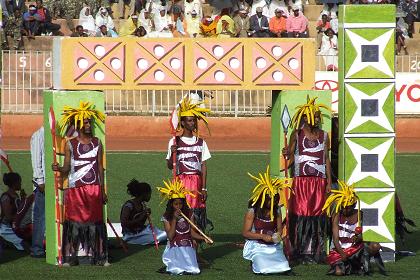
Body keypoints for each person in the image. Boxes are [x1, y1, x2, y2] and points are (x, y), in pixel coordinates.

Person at [51, 101, 109, 266]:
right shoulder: (70, 143)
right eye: (84, 122)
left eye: (89, 122)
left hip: (94, 188)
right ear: (78, 124)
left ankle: (99, 257)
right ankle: (70, 257)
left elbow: (100, 167)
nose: (88, 125)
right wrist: (59, 168)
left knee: (96, 222)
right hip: (75, 189)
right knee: (73, 223)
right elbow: (67, 168)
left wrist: (102, 190)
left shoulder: (98, 143)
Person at [282, 95, 332, 264]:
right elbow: (289, 160)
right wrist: (286, 153)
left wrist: (329, 182)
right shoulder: (297, 134)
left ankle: (315, 252)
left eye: (318, 116)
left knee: (317, 217)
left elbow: (326, 160)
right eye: (313, 116)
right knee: (300, 216)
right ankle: (298, 251)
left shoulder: (325, 136)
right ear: (305, 117)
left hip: (319, 182)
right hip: (301, 182)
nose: (316, 119)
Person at [166, 96, 213, 234]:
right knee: (181, 213)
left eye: (194, 120)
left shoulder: (201, 142)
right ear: (182, 122)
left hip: (196, 183)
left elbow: (203, 166)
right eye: (190, 120)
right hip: (181, 182)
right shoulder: (174, 142)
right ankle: (180, 243)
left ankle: (195, 249)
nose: (193, 123)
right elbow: (170, 166)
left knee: (197, 214)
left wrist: (204, 187)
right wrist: (172, 152)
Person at [323, 180, 385, 276]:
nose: (345, 210)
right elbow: (335, 240)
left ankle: (356, 264)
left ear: (354, 205)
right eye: (343, 207)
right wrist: (342, 254)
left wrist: (359, 238)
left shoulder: (360, 214)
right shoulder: (336, 216)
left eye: (348, 207)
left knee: (375, 246)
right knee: (339, 273)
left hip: (356, 248)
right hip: (339, 249)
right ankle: (352, 267)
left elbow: (364, 235)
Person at [242, 166, 292, 275]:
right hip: (257, 246)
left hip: (273, 246)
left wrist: (276, 236)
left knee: (284, 267)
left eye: (276, 200)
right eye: (272, 201)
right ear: (264, 199)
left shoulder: (276, 211)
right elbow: (245, 233)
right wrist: (262, 236)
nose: (274, 203)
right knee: (264, 269)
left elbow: (279, 229)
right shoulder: (252, 211)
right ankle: (255, 261)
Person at [158, 178, 211, 275]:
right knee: (177, 268)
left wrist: (204, 238)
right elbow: (170, 236)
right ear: (171, 204)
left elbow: (192, 233)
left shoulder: (189, 214)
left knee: (193, 269)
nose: (178, 206)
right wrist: (174, 219)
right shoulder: (166, 217)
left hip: (188, 245)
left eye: (180, 204)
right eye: (176, 204)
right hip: (174, 246)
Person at [120, 179, 167, 245]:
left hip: (141, 231)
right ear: (143, 194)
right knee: (161, 236)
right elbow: (124, 223)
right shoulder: (129, 206)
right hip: (131, 235)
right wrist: (141, 217)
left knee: (164, 233)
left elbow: (140, 224)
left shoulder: (142, 205)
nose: (150, 196)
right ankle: (129, 240)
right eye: (149, 194)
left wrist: (145, 215)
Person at [0, 172, 31, 251]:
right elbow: (8, 217)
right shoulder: (6, 197)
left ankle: (9, 242)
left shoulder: (16, 195)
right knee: (25, 244)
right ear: (14, 183)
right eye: (19, 182)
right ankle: (5, 241)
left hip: (15, 225)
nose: (21, 184)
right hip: (6, 228)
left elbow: (21, 210)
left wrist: (23, 198)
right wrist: (21, 218)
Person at [30, 126, 46, 258]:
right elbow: (36, 161)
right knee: (40, 217)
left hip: (54, 182)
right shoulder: (39, 135)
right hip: (43, 184)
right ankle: (37, 248)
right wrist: (40, 181)